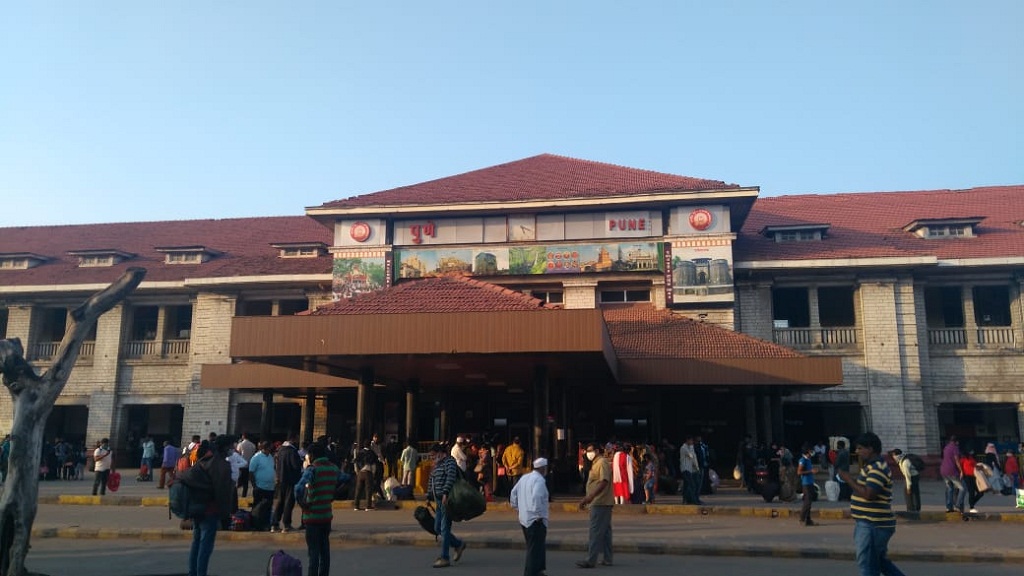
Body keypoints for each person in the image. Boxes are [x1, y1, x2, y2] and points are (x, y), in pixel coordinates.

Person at [837, 432, 904, 576]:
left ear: (871, 449)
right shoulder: (872, 466)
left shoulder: (877, 468)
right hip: (871, 523)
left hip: (873, 524)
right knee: (879, 563)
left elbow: (869, 494)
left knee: (867, 565)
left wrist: (848, 479)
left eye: (860, 448)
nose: (857, 452)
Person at [180, 434, 236, 576]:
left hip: (197, 507)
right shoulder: (221, 464)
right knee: (205, 546)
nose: (233, 448)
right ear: (226, 447)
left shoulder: (205, 459)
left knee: (196, 543)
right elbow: (222, 492)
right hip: (210, 510)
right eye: (232, 446)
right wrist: (226, 514)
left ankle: (193, 572)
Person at [295, 442, 339, 576]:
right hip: (326, 516)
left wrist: (302, 504)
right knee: (325, 551)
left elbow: (298, 488)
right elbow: (346, 479)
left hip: (312, 517)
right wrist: (333, 494)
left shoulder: (312, 469)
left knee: (313, 553)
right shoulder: (333, 468)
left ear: (312, 455)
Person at [427, 442, 466, 569]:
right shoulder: (437, 464)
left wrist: (445, 493)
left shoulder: (450, 462)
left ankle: (445, 557)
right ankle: (458, 544)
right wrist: (429, 496)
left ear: (440, 453)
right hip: (438, 501)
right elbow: (431, 480)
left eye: (433, 455)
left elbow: (450, 477)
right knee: (437, 528)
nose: (432, 458)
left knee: (444, 528)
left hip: (446, 500)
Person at [576, 442, 613, 569]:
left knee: (595, 531)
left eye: (590, 450)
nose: (588, 453)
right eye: (587, 451)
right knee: (605, 532)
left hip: (600, 502)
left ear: (597, 451)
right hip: (601, 502)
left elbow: (604, 481)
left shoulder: (601, 463)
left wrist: (590, 497)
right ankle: (608, 558)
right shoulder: (596, 463)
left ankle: (591, 559)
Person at [510, 457, 549, 576]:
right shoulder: (539, 480)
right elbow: (537, 496)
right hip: (535, 520)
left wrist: (516, 507)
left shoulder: (524, 477)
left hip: (524, 519)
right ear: (543, 469)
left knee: (537, 546)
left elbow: (513, 493)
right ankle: (530, 573)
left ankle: (539, 570)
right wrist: (537, 514)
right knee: (534, 549)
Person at [271, 435, 302, 532]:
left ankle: (274, 524)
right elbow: (295, 465)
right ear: (293, 440)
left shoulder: (280, 450)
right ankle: (286, 524)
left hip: (281, 479)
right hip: (290, 480)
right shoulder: (292, 452)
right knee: (289, 502)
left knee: (280, 502)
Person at [248, 441, 276, 509]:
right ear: (265, 448)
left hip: (270, 488)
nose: (271, 450)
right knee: (257, 508)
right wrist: (255, 486)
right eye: (270, 448)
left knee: (268, 508)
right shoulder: (256, 457)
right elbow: (251, 472)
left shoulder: (270, 457)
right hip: (260, 487)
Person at [939, 435, 963, 513]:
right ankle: (957, 505)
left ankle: (948, 507)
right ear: (957, 441)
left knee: (949, 489)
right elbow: (956, 460)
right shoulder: (955, 448)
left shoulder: (946, 447)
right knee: (962, 489)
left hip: (943, 471)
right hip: (952, 471)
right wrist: (961, 470)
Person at [797, 443, 817, 526]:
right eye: (811, 450)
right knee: (807, 502)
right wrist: (810, 471)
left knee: (809, 502)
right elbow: (799, 472)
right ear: (807, 451)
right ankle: (802, 519)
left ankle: (808, 520)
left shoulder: (808, 460)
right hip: (806, 484)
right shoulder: (803, 460)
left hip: (810, 483)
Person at [958, 448, 984, 514]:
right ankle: (971, 507)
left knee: (980, 492)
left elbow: (975, 465)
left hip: (974, 477)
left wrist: (981, 467)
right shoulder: (963, 459)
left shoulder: (971, 458)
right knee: (971, 492)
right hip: (967, 477)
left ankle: (972, 503)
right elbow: (959, 466)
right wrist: (961, 472)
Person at [353, 442, 377, 511]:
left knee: (358, 490)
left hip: (360, 472)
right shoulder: (371, 453)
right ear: (369, 446)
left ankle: (356, 506)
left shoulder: (360, 453)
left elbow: (355, 462)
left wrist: (357, 472)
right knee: (368, 490)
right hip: (368, 472)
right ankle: (368, 506)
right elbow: (373, 464)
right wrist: (373, 473)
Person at [678, 436, 701, 505]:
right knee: (692, 485)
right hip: (685, 468)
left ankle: (686, 499)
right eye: (691, 441)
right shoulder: (683, 448)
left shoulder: (690, 447)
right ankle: (693, 500)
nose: (692, 442)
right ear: (687, 441)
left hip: (690, 469)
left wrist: (696, 468)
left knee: (686, 485)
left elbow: (693, 458)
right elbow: (691, 456)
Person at [235, 432, 256, 498]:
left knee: (238, 482)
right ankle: (244, 497)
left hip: (241, 466)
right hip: (249, 466)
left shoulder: (240, 444)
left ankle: (234, 495)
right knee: (245, 483)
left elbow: (238, 454)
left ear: (243, 436)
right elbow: (253, 456)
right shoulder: (253, 445)